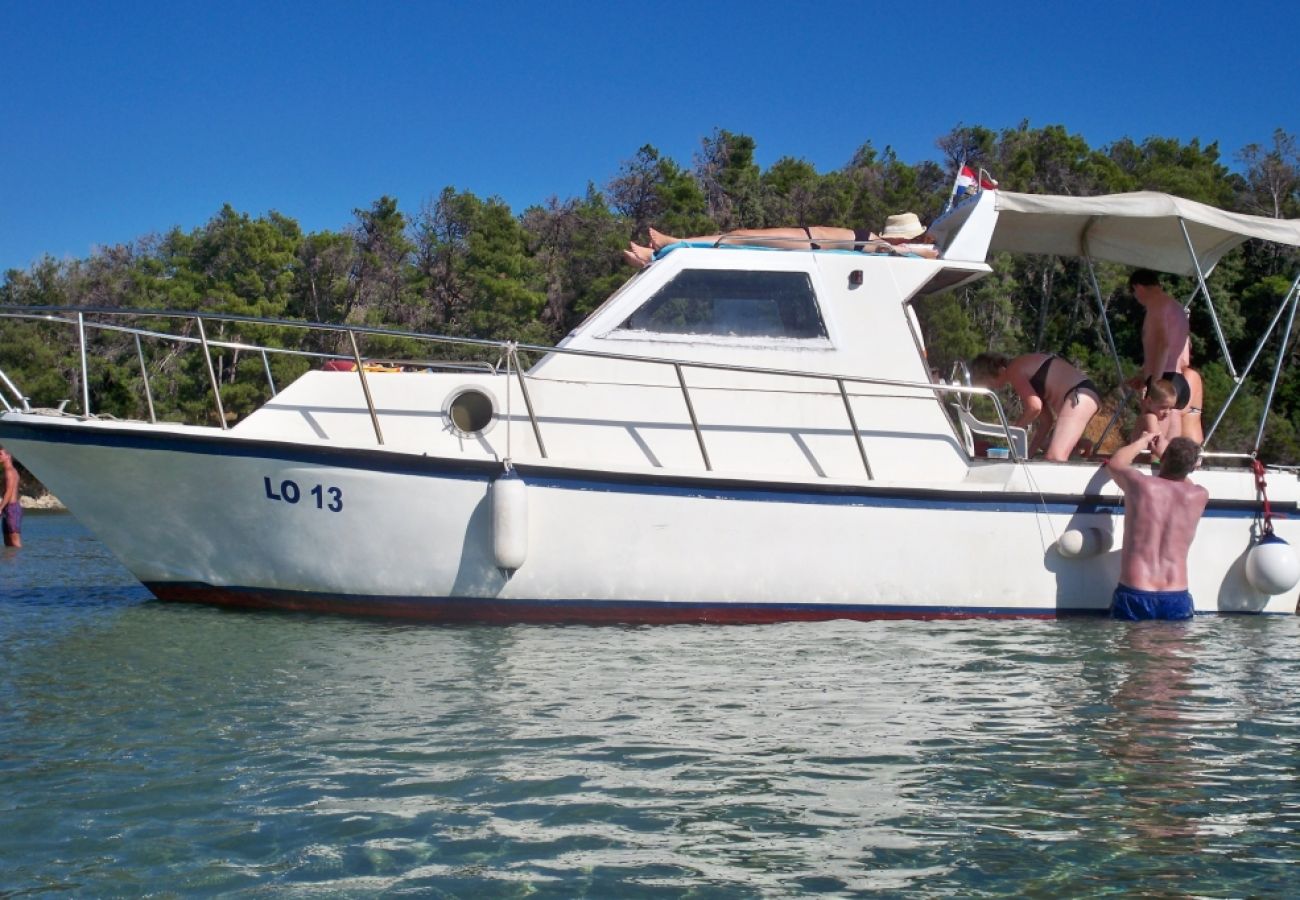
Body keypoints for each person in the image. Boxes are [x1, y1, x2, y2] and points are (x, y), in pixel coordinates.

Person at [1105, 434, 1208, 620]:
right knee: (1170, 648)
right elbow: (1183, 480)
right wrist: (1168, 457)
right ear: (1193, 467)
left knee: (1133, 649)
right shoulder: (1199, 495)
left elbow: (1116, 463)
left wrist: (1142, 442)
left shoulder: (1140, 485)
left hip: (1136, 589)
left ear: (1165, 458)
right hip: (1176, 593)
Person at [622, 212, 938, 267]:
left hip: (808, 241)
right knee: (738, 238)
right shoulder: (880, 246)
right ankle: (674, 243)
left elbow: (932, 255)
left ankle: (673, 244)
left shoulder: (892, 252)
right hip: (808, 239)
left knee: (737, 240)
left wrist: (924, 247)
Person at [968, 352, 1100, 461]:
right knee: (1046, 445)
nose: (992, 387)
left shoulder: (1013, 369)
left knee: (1054, 457)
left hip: (1079, 396)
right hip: (1082, 395)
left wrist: (1012, 432)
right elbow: (1046, 422)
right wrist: (1028, 456)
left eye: (988, 383)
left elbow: (1034, 407)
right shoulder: (1022, 371)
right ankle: (1082, 444)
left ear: (995, 371)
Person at [1126, 269, 1191, 409]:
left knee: (1149, 428)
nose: (1137, 299)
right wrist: (1144, 377)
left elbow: (1163, 345)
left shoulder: (1156, 304)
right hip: (1178, 382)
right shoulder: (1176, 307)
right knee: (1171, 431)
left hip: (1164, 382)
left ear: (1138, 287)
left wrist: (1154, 386)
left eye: (1134, 294)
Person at [1131, 377, 1181, 457]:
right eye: (1163, 407)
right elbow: (1158, 443)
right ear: (1149, 402)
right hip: (1141, 466)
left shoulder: (1149, 416)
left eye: (1171, 408)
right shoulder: (1150, 417)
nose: (1167, 412)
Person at [1, 446, 21, 549]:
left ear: (8, 456)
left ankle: (19, 563)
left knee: (14, 542)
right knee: (7, 543)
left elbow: (8, 492)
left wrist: (0, 508)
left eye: (0, 454)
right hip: (7, 508)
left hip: (12, 508)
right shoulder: (7, 471)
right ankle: (10, 564)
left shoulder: (9, 471)